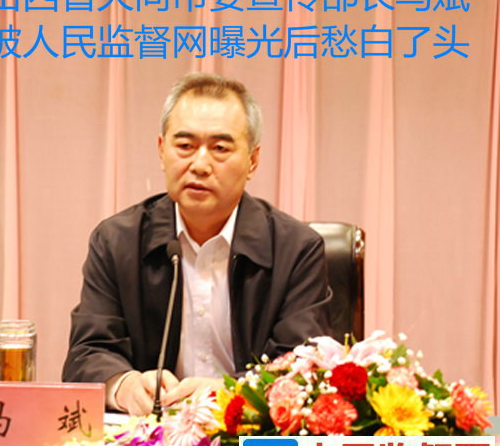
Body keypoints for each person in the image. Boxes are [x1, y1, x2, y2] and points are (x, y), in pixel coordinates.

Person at [62, 73, 332, 416]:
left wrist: (233, 392)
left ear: (253, 161)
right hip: (149, 435)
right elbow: (87, 352)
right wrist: (124, 385)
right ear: (162, 151)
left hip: (245, 434)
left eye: (220, 149)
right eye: (185, 146)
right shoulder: (117, 241)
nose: (200, 165)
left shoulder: (296, 250)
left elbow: (304, 365)